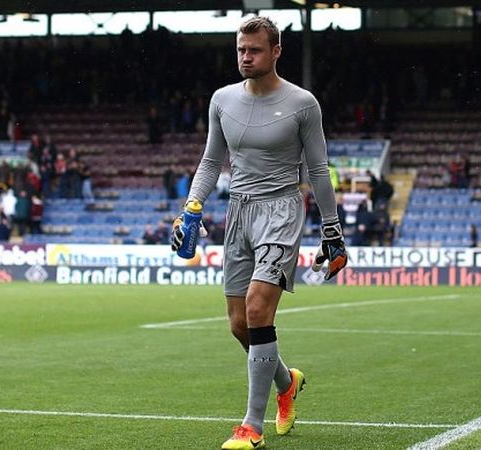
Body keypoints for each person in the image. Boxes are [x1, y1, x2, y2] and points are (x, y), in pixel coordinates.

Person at [169, 16, 347, 450]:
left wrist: (333, 231)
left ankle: (251, 426)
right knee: (238, 324)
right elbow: (212, 161)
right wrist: (192, 206)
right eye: (240, 50)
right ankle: (287, 382)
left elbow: (319, 170)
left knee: (256, 306)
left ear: (276, 52)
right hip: (238, 213)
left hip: (282, 210)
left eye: (254, 50)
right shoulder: (222, 99)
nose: (245, 57)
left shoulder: (303, 103)